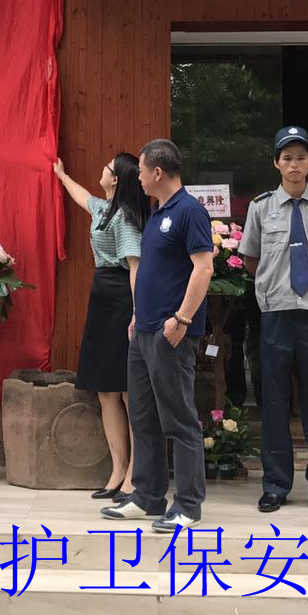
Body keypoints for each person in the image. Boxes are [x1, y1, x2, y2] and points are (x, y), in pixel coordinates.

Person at [100, 139, 213, 533]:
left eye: (143, 171)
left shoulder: (190, 211)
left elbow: (204, 268)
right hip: (144, 330)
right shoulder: (156, 212)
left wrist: (182, 319)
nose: (140, 179)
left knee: (179, 419)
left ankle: (188, 504)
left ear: (158, 172)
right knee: (143, 416)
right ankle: (147, 495)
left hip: (172, 333)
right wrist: (137, 315)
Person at [240, 125, 308, 515]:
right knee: (274, 399)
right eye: (287, 158)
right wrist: (277, 285)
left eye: (300, 158)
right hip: (276, 313)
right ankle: (276, 484)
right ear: (276, 163)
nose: (294, 165)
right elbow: (251, 259)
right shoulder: (260, 207)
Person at [54, 153, 148, 502]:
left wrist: (137, 313)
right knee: (106, 391)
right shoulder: (105, 208)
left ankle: (135, 475)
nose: (103, 169)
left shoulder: (125, 218)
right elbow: (83, 197)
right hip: (101, 297)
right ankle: (117, 470)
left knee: (128, 392)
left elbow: (135, 266)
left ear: (117, 179)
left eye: (108, 167)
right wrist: (62, 176)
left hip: (123, 298)